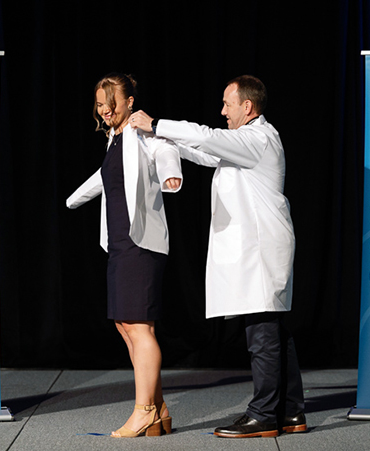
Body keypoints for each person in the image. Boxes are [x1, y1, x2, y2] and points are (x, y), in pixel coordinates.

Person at [130, 75, 305, 438]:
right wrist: (161, 140)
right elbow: (205, 152)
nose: (222, 111)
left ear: (248, 107)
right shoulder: (247, 141)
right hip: (258, 248)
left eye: (227, 104)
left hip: (261, 249)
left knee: (262, 333)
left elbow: (207, 137)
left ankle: (264, 416)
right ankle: (290, 412)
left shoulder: (257, 138)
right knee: (270, 330)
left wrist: (157, 124)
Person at [66, 73, 182, 438]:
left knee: (138, 325)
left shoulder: (140, 129)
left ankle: (144, 410)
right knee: (124, 324)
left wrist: (170, 174)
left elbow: (166, 149)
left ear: (129, 101)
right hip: (119, 243)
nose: (105, 111)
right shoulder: (114, 139)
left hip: (140, 244)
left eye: (110, 103)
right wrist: (73, 198)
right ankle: (158, 409)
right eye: (100, 105)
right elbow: (105, 178)